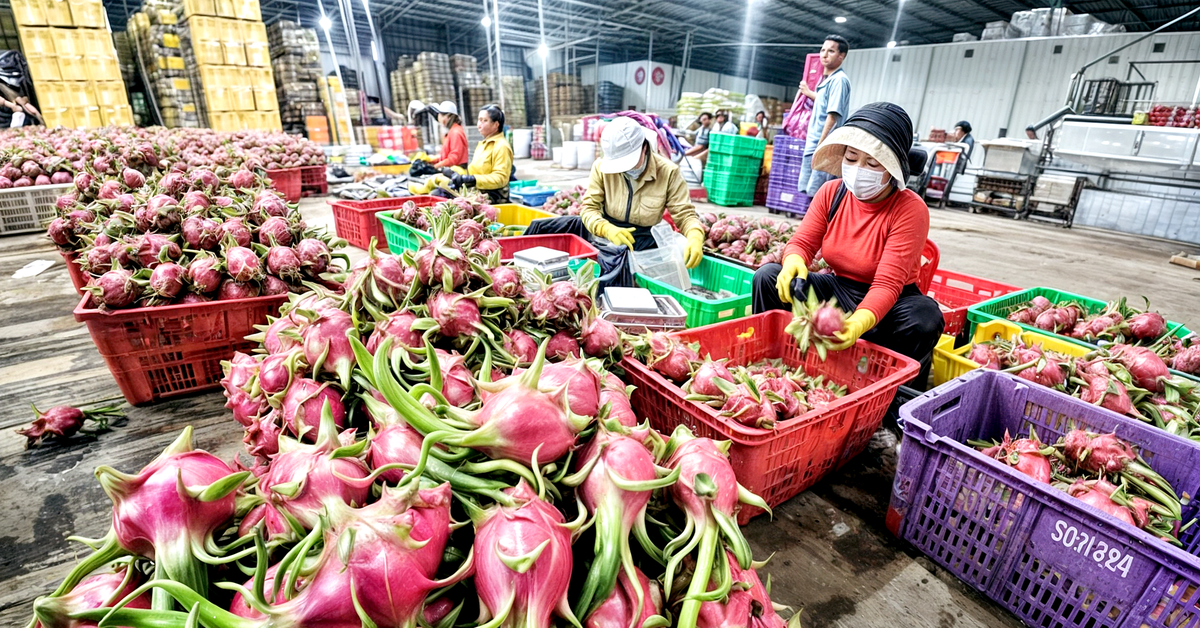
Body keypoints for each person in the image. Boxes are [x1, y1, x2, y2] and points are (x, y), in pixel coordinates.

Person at [751, 102, 944, 384]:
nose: (857, 169)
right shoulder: (832, 192)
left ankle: (891, 400)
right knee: (767, 276)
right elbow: (802, 243)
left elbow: (887, 284)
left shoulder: (910, 209)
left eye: (872, 163)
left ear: (892, 169)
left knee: (925, 317)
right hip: (840, 288)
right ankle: (772, 365)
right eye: (851, 158)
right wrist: (793, 261)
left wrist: (857, 324)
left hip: (893, 302)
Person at [524, 116, 706, 287]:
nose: (625, 170)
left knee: (619, 271)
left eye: (630, 163)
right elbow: (589, 208)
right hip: (603, 230)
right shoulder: (601, 167)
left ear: (644, 148)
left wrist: (695, 235)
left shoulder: (668, 172)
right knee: (545, 228)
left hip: (641, 239)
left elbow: (685, 214)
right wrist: (606, 228)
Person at [797, 35, 851, 198]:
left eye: (831, 51)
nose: (824, 54)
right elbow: (825, 103)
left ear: (841, 56)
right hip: (813, 143)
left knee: (818, 194)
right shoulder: (829, 81)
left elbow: (832, 116)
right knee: (808, 191)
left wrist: (821, 146)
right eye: (822, 50)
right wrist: (809, 93)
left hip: (821, 146)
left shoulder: (839, 81)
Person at [442, 104, 513, 204]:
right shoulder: (482, 144)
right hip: (477, 191)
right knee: (441, 193)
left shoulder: (501, 146)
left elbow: (501, 178)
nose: (479, 124)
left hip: (494, 197)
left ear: (496, 125)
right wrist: (461, 179)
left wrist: (473, 179)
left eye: (484, 120)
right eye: (479, 120)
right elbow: (475, 171)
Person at [429, 101, 468, 170]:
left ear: (448, 116)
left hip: (457, 172)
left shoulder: (456, 132)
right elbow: (445, 156)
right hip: (451, 170)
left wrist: (436, 166)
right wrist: (430, 160)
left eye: (441, 115)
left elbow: (454, 158)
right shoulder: (451, 131)